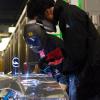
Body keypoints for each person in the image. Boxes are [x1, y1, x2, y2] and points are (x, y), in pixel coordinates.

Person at [26, 0, 100, 100]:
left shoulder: (70, 15)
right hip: (85, 81)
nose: (42, 25)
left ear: (47, 12)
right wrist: (48, 59)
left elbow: (77, 56)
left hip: (90, 83)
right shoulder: (65, 17)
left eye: (40, 20)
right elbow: (72, 49)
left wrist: (62, 73)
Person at [23, 0, 69, 92]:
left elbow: (64, 77)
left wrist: (58, 92)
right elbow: (41, 67)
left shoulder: (54, 44)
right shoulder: (41, 46)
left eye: (36, 19)